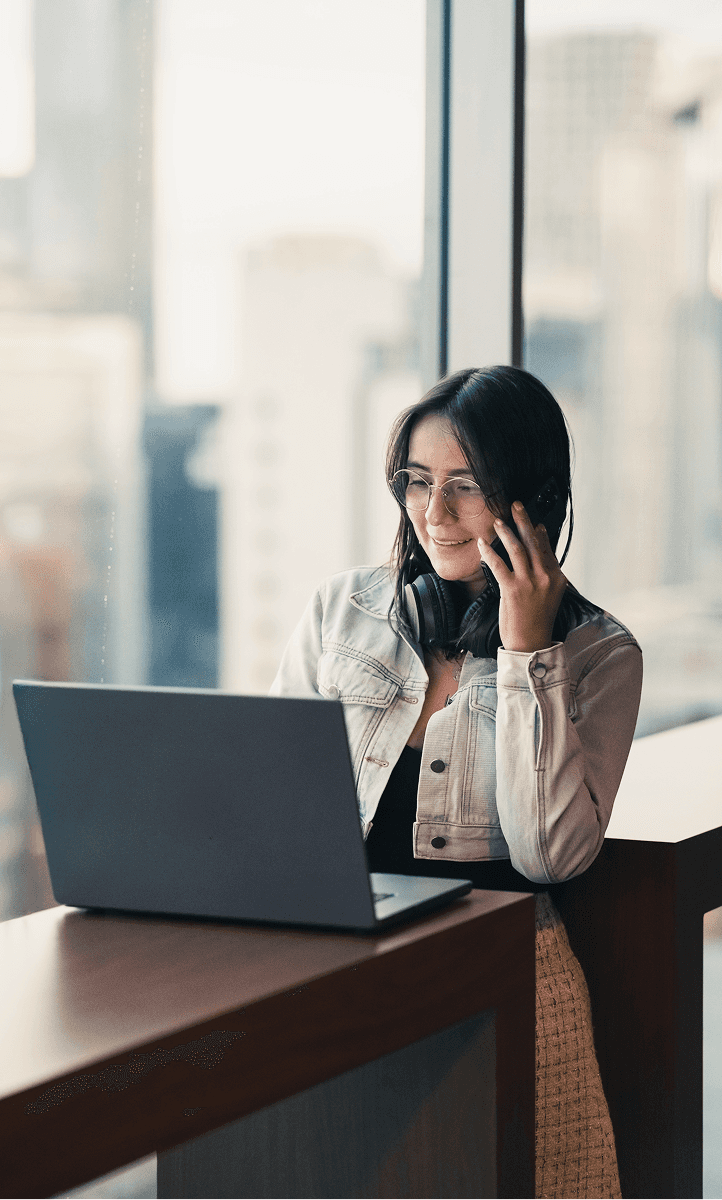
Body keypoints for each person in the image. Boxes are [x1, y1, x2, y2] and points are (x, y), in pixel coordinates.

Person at [271, 365, 642, 1200]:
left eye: (464, 487)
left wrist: (527, 653)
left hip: (499, 976)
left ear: (533, 499)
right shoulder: (341, 611)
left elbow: (549, 856)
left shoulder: (599, 656)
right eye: (415, 481)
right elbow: (274, 802)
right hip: (338, 969)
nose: (431, 514)